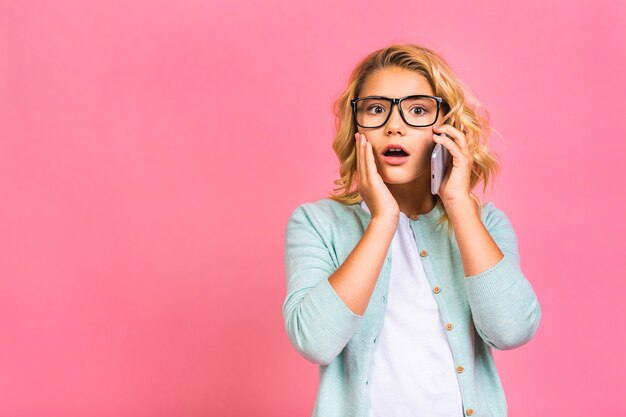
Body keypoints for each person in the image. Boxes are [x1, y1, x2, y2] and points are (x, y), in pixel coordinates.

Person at [282, 43, 541, 417]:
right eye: (375, 109)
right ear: (357, 126)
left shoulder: (486, 224)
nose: (395, 125)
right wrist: (382, 221)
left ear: (447, 126)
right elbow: (315, 342)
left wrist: (458, 205)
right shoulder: (316, 223)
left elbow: (512, 330)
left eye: (418, 110)